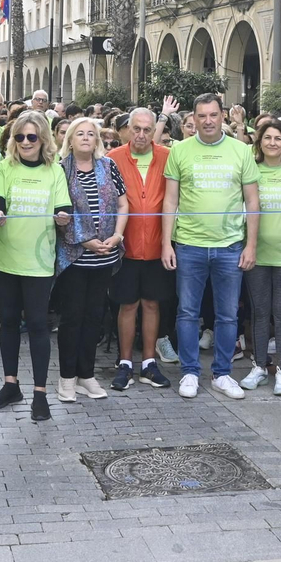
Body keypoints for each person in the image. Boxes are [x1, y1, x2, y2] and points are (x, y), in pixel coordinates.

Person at [163, 94, 259, 401]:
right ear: (193, 118)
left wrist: (251, 245)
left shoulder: (241, 150)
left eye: (213, 115)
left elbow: (252, 201)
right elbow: (170, 201)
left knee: (228, 315)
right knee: (187, 313)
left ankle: (222, 374)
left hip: (230, 246)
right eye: (201, 115)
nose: (207, 121)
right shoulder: (179, 150)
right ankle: (190, 371)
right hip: (189, 245)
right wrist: (166, 243)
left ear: (222, 116)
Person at [0, 111, 73, 421]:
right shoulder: (3, 168)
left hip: (38, 261)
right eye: (19, 137)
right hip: (4, 258)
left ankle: (40, 393)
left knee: (37, 324)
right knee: (8, 321)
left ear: (43, 139)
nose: (25, 142)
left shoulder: (55, 171)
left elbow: (63, 209)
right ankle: (11, 385)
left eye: (31, 137)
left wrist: (63, 218)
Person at [55, 118, 127, 403]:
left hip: (104, 256)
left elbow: (123, 203)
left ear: (97, 140)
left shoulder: (108, 166)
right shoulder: (60, 169)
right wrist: (84, 239)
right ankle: (66, 378)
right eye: (80, 134)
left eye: (91, 134)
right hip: (74, 257)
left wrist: (118, 235)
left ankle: (86, 375)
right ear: (70, 140)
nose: (86, 138)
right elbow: (58, 213)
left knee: (94, 317)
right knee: (72, 318)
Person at [108, 109, 173, 391]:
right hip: (125, 246)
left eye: (147, 129)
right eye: (136, 129)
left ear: (154, 130)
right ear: (127, 129)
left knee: (152, 304)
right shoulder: (113, 158)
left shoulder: (167, 156)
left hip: (158, 245)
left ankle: (148, 363)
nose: (142, 135)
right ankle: (125, 363)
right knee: (127, 304)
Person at [243, 120, 281, 396]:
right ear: (259, 141)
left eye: (278, 138)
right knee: (259, 311)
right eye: (267, 138)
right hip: (256, 252)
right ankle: (259, 367)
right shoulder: (251, 168)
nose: (272, 143)